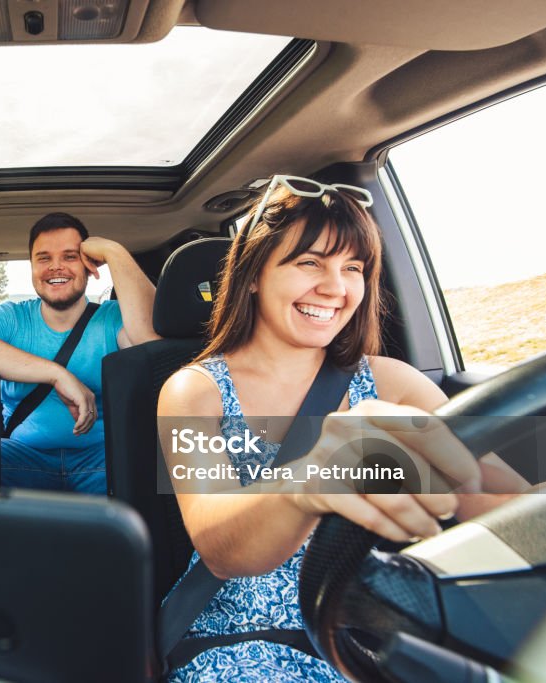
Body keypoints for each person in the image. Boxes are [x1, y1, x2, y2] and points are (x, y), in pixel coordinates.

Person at [157, 175, 520, 681]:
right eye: (309, 262)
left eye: (353, 268)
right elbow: (220, 551)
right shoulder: (192, 392)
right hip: (241, 640)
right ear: (254, 274)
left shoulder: (393, 382)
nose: (335, 287)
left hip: (366, 631)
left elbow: (507, 504)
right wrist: (308, 481)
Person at [0, 212, 159, 494]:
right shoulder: (12, 317)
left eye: (69, 256)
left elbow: (150, 339)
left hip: (105, 461)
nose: (56, 267)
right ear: (31, 267)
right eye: (43, 258)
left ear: (89, 265)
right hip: (19, 458)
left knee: (160, 460)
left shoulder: (114, 317)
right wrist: (56, 374)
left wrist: (113, 252)